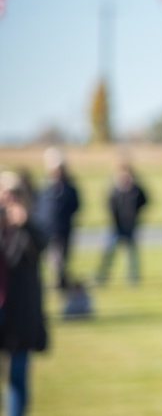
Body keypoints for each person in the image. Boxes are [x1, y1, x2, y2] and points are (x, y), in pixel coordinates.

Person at [0, 171, 48, 416]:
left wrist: (24, 223)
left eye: (14, 194)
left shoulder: (29, 225)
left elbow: (41, 245)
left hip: (19, 313)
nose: (8, 199)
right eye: (4, 193)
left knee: (17, 374)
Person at [33, 147, 80, 290]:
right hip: (47, 229)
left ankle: (60, 282)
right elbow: (39, 207)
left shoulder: (69, 188)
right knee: (52, 259)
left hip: (63, 229)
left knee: (61, 259)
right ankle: (56, 283)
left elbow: (75, 205)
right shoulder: (45, 187)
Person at [95, 161, 148, 285]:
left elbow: (144, 201)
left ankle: (132, 277)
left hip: (130, 225)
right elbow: (109, 204)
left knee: (131, 254)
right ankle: (102, 276)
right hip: (116, 226)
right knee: (108, 252)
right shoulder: (115, 190)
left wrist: (136, 214)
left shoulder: (135, 190)